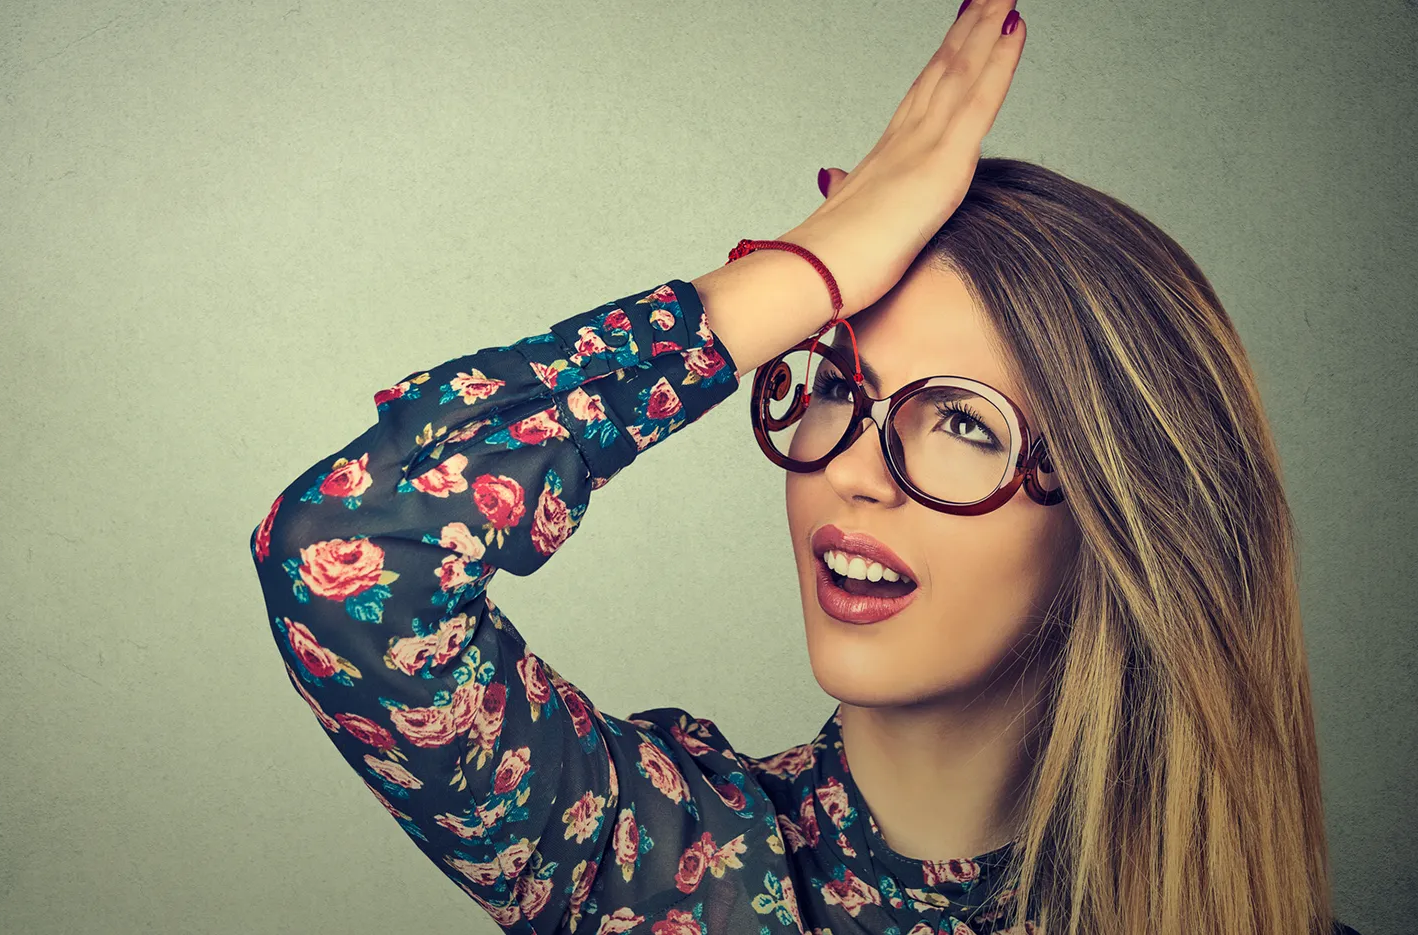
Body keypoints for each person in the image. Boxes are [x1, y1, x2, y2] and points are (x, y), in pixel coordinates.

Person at [248, 1, 1358, 932]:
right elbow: (344, 558)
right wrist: (803, 271)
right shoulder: (672, 871)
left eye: (962, 422)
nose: (855, 473)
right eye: (833, 382)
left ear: (1122, 513)